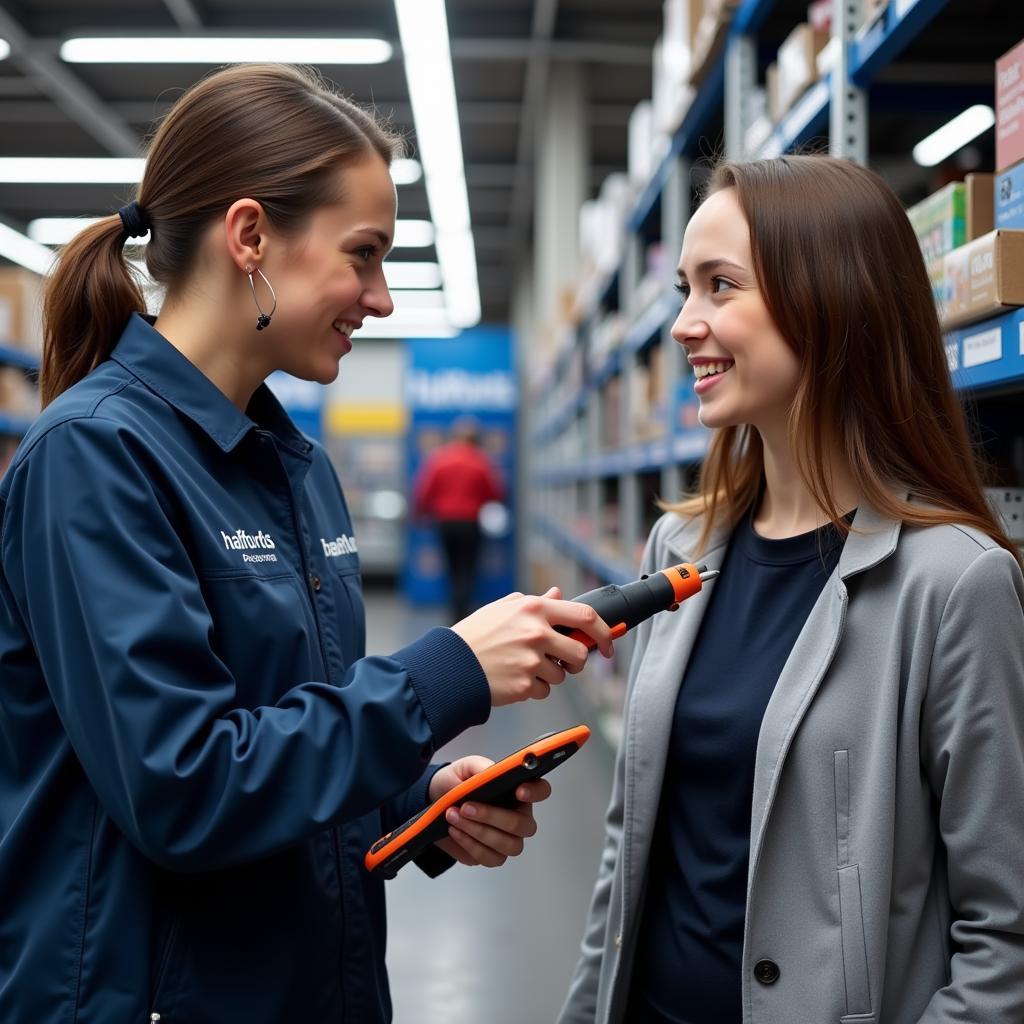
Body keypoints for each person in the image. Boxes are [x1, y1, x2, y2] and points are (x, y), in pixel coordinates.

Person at [0, 64, 615, 1024]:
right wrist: (442, 673)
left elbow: (284, 726)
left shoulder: (294, 463)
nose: (379, 299)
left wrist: (411, 800)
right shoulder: (95, 458)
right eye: (363, 255)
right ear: (250, 236)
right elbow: (185, 787)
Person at [559, 155, 1024, 1024]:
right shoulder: (681, 547)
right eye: (683, 292)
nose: (684, 325)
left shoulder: (956, 584)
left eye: (720, 286)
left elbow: (1005, 937)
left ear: (830, 297)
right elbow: (630, 851)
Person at [413, 416, 506, 620]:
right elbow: (495, 492)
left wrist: (420, 515)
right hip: (470, 523)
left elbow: (424, 491)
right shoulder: (481, 460)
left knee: (452, 568)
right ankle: (462, 615)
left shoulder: (439, 458)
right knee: (467, 569)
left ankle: (454, 613)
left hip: (444, 522)